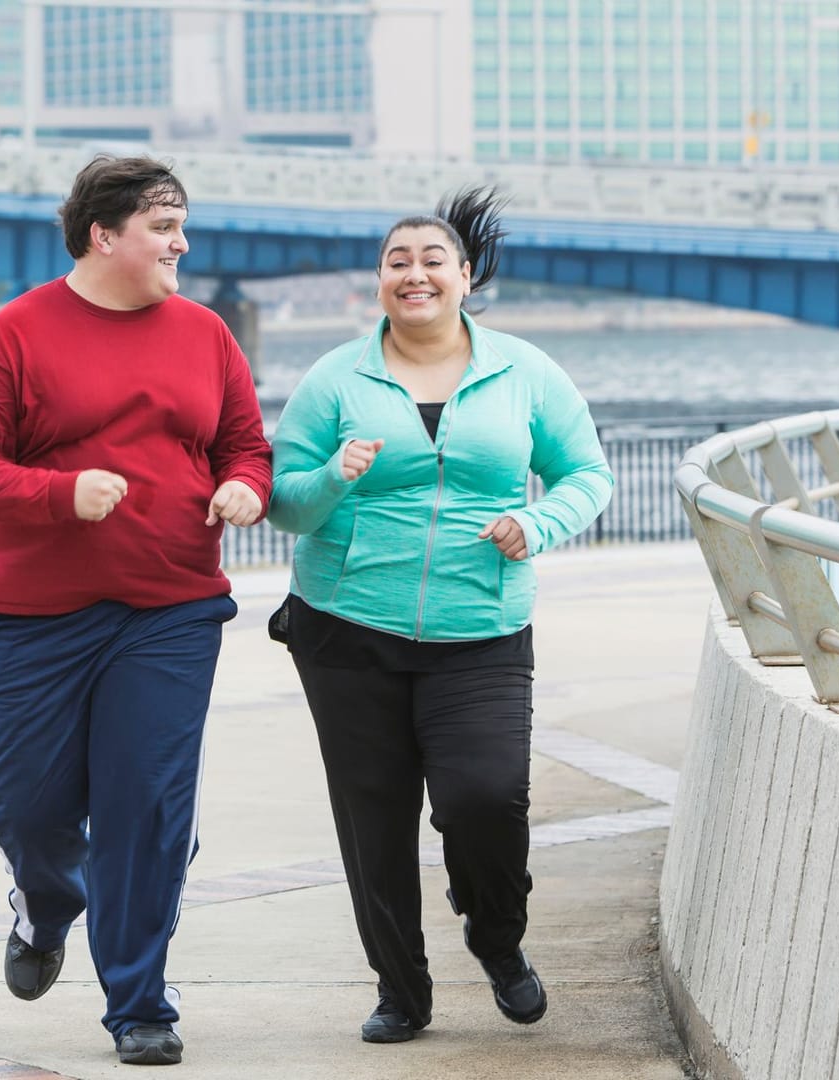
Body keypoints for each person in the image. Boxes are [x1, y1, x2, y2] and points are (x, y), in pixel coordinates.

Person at [0, 155, 273, 1067]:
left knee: (147, 809)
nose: (182, 243)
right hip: (32, 618)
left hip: (171, 610)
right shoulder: (15, 334)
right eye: (164, 226)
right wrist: (57, 494)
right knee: (28, 810)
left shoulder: (205, 334)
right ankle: (46, 905)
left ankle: (140, 1006)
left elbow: (247, 445)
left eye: (182, 224)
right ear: (104, 234)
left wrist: (244, 487)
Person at [267, 187, 614, 1044]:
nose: (413, 274)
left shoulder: (524, 371)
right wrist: (334, 478)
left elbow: (588, 477)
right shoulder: (336, 378)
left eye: (431, 261)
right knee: (373, 816)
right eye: (396, 262)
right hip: (347, 626)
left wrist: (536, 523)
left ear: (466, 276)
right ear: (379, 282)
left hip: (482, 629)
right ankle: (400, 991)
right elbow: (285, 502)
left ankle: (498, 940)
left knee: (486, 799)